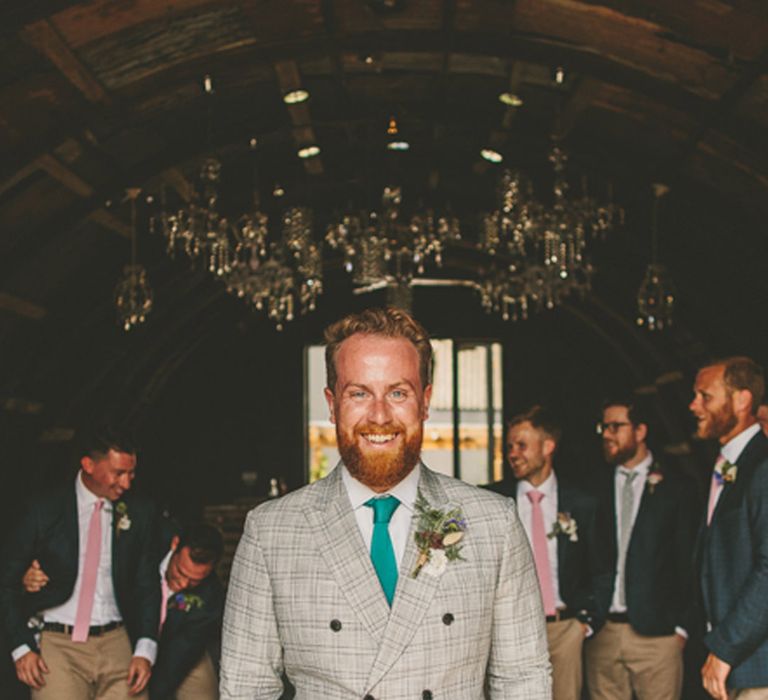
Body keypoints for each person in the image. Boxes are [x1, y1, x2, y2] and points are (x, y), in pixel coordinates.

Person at [220, 307, 551, 699]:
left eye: (398, 393)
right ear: (332, 403)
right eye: (358, 393)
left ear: (425, 402)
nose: (379, 416)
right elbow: (246, 689)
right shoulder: (270, 531)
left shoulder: (494, 523)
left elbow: (522, 681)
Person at [0, 425, 161, 698]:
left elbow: (147, 582)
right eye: (118, 473)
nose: (127, 483)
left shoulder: (141, 512)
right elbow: (7, 581)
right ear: (88, 464)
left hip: (117, 640)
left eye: (131, 473)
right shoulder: (44, 509)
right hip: (57, 643)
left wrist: (146, 649)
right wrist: (21, 648)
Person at [23, 521, 225, 700]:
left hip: (177, 643)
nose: (182, 584)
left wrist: (144, 693)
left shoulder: (209, 598)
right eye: (180, 572)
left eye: (194, 581)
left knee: (203, 690)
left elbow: (178, 658)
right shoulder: (143, 546)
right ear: (175, 544)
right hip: (128, 635)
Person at [487, 405, 608, 700]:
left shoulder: (582, 503)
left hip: (564, 628)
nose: (513, 453)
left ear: (548, 446)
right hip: (510, 632)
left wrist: (585, 624)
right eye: (510, 446)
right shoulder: (493, 501)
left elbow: (602, 568)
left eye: (522, 445)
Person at [585, 397, 699, 700]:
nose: (607, 434)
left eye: (616, 426)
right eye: (603, 427)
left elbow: (690, 558)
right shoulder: (592, 486)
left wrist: (682, 628)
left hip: (658, 636)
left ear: (640, 430)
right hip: (603, 632)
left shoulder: (678, 488)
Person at [690, 357, 768, 699]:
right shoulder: (726, 465)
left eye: (705, 396)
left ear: (742, 400)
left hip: (756, 667)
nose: (694, 405)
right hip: (731, 667)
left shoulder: (763, 465)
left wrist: (725, 649)